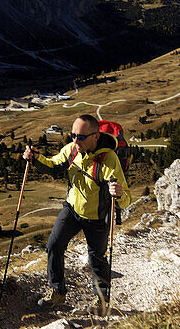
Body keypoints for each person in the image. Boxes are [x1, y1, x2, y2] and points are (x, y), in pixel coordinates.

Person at [22, 114, 132, 314]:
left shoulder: (109, 160)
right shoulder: (71, 150)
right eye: (73, 135)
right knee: (54, 245)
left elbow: (125, 199)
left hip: (97, 217)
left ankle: (101, 303)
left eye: (80, 136)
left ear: (95, 137)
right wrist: (35, 157)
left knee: (96, 259)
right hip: (72, 209)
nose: (75, 140)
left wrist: (119, 193)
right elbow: (54, 166)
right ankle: (58, 293)